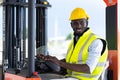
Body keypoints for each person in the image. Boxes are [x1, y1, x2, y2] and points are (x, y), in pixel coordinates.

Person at [36, 7, 108, 80]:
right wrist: (51, 60)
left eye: (82, 22)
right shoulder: (75, 40)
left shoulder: (96, 41)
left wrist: (59, 63)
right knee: (38, 77)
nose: (79, 26)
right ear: (71, 25)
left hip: (84, 79)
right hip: (71, 77)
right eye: (75, 23)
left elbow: (88, 68)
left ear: (87, 22)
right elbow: (68, 61)